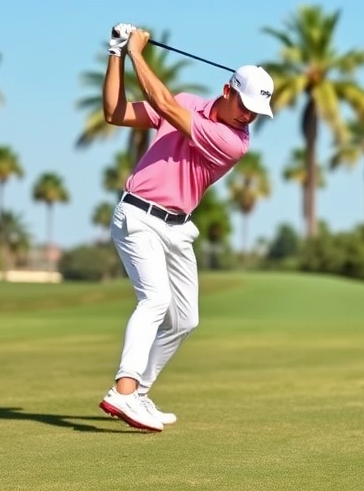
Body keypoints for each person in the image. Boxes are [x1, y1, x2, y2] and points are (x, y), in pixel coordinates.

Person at [96, 23, 274, 432]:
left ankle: (139, 392)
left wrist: (137, 53)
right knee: (155, 301)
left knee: (185, 319)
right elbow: (115, 113)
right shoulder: (188, 101)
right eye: (245, 105)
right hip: (138, 216)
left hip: (178, 229)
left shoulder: (234, 141)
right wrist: (116, 53)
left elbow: (164, 104)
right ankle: (122, 393)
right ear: (228, 90)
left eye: (256, 113)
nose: (249, 116)